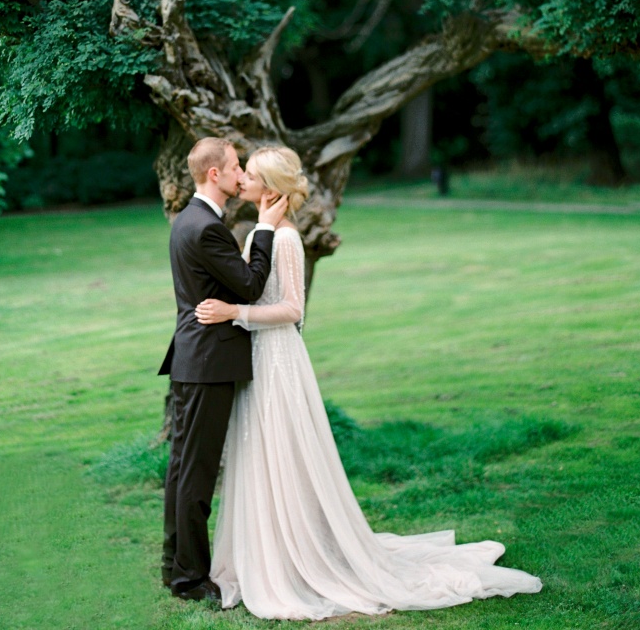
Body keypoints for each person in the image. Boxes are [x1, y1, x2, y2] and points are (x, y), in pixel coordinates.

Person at [195, 145, 543, 620]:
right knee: (261, 451)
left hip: (278, 359)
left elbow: (293, 309)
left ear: (270, 188)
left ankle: (297, 556)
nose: (243, 181)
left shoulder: (287, 239)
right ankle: (266, 551)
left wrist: (234, 312)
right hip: (258, 355)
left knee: (283, 450)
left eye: (251, 175)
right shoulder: (263, 232)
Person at [159, 137, 289, 602]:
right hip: (207, 362)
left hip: (193, 359)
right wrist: (266, 229)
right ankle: (190, 579)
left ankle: (174, 565)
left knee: (182, 469)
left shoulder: (187, 220)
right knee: (196, 476)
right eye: (235, 167)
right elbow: (250, 286)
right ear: (214, 173)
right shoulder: (208, 228)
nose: (240, 174)